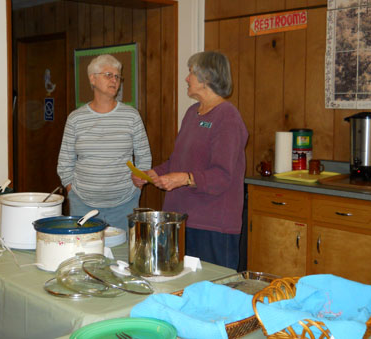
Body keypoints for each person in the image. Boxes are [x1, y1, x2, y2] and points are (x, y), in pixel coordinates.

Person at [132, 51, 248, 270]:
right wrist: (154, 173)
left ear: (207, 78)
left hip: (212, 226)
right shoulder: (192, 113)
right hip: (181, 221)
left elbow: (222, 176)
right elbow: (177, 161)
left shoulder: (227, 117)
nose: (187, 78)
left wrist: (184, 179)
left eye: (191, 73)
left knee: (212, 295)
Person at [57, 54, 151, 233]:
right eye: (108, 75)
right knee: (85, 254)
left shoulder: (131, 116)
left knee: (122, 257)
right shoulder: (76, 118)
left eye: (117, 76)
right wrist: (70, 189)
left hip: (124, 203)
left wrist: (139, 182)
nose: (114, 80)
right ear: (92, 78)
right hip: (82, 203)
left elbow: (144, 156)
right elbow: (65, 161)